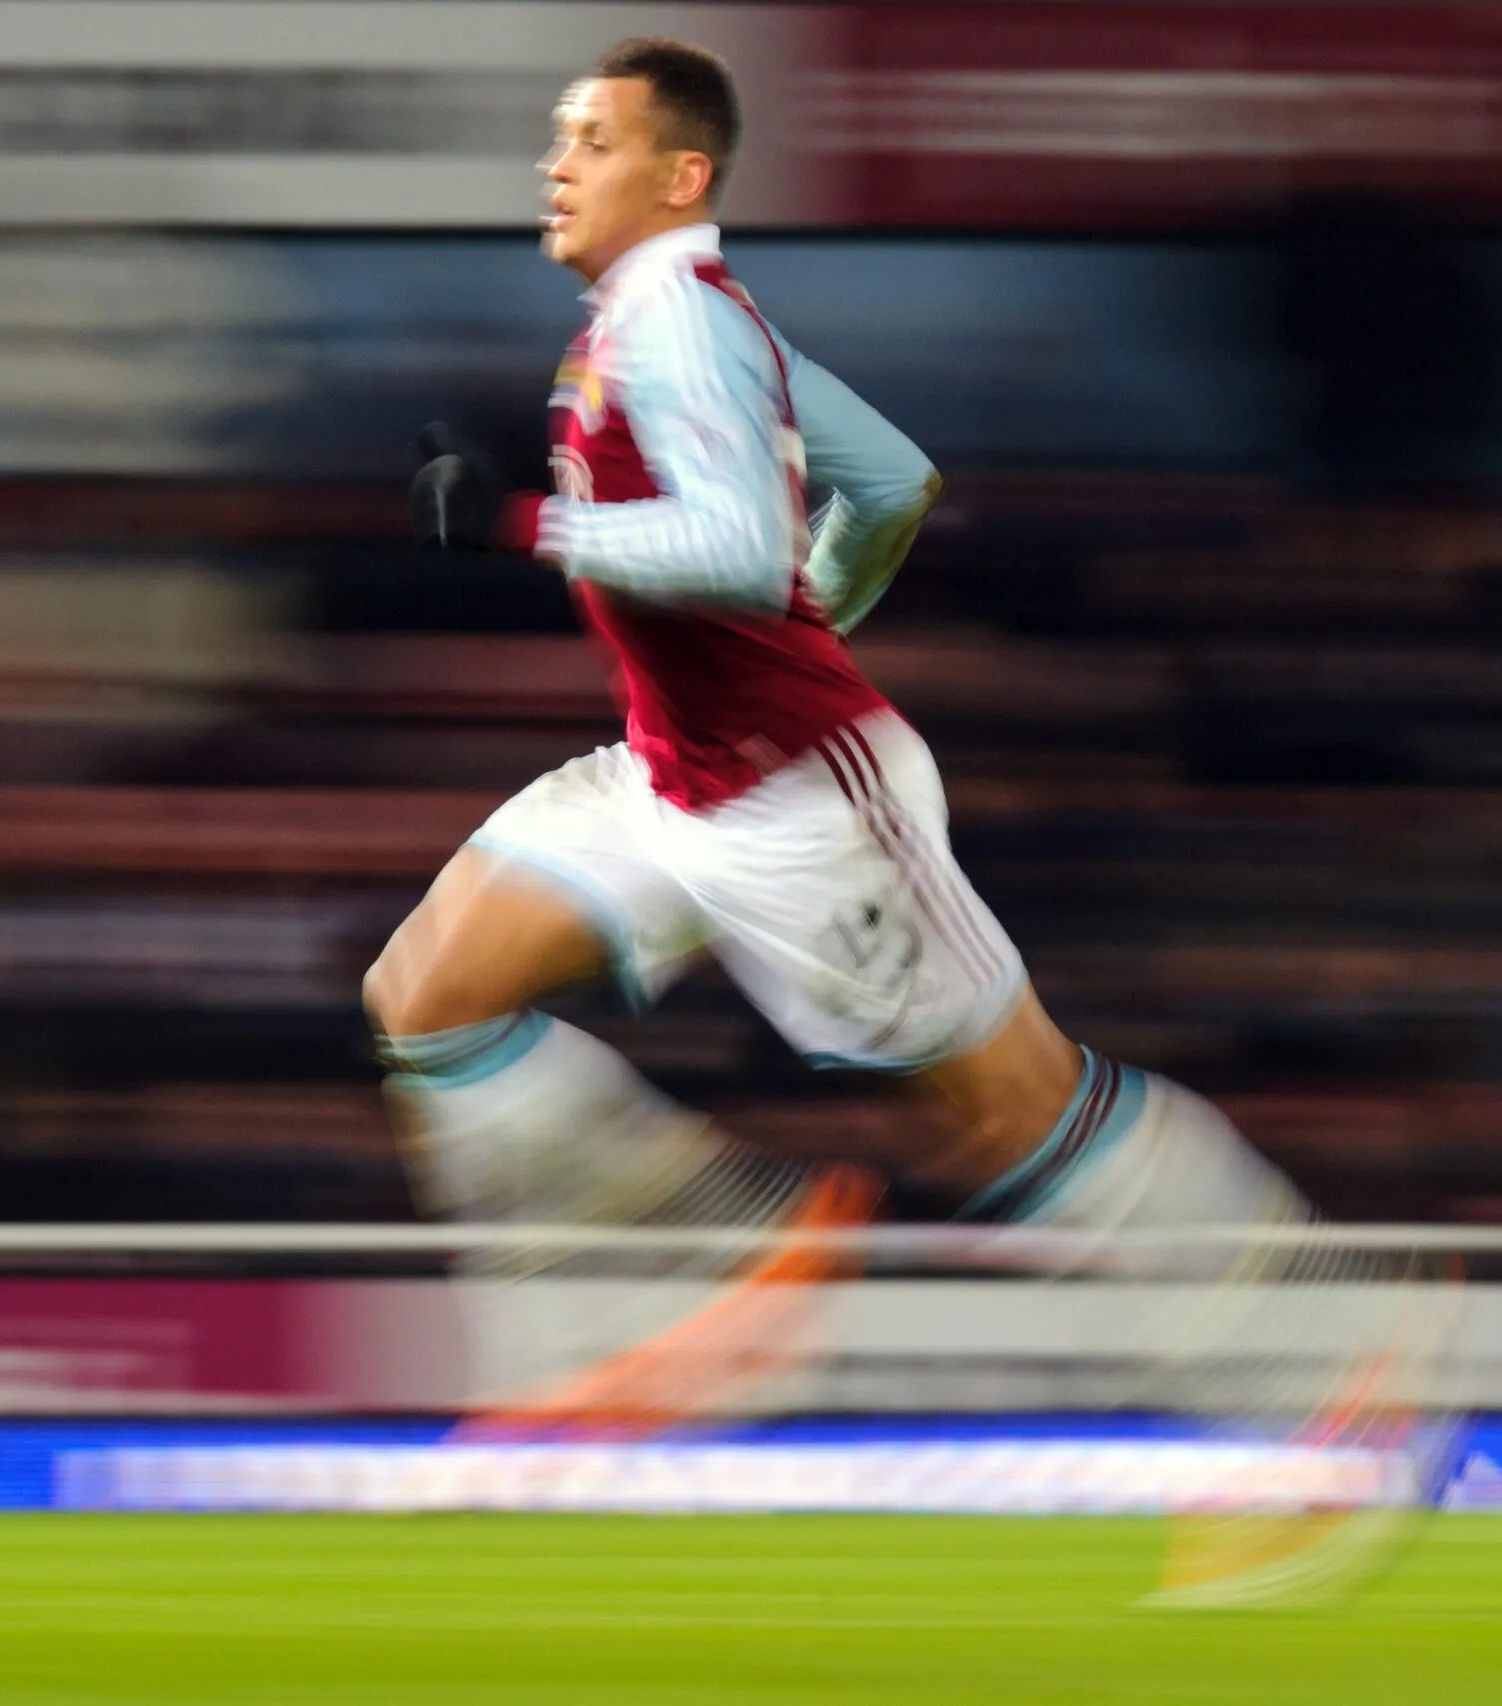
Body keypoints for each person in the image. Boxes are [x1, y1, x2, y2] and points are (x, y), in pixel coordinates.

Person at [363, 36, 1283, 1253]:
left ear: (682, 177)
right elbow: (894, 481)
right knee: (427, 994)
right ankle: (718, 1247)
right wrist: (805, 629)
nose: (556, 166)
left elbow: (741, 550)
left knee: (1013, 1116)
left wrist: (515, 522)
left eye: (592, 141)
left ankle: (1325, 1331)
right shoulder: (666, 321)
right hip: (673, 777)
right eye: (558, 140)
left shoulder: (677, 327)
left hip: (803, 802)